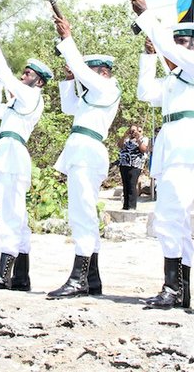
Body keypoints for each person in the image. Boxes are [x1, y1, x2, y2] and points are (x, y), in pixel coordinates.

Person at [129, 0, 194, 310]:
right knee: (177, 220)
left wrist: (148, 18)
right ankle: (180, 291)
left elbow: (170, 48)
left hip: (185, 147)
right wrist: (148, 54)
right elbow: (145, 93)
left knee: (169, 216)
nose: (175, 47)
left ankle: (172, 288)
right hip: (170, 148)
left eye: (182, 42)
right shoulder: (176, 77)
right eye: (175, 41)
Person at [47, 15, 121, 299]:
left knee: (82, 214)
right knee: (82, 212)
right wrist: (69, 80)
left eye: (88, 72)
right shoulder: (94, 96)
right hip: (82, 149)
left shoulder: (106, 87)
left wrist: (67, 37)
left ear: (101, 72)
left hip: (88, 151)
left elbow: (80, 67)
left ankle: (79, 278)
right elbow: (69, 107)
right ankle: (91, 278)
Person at [0, 29, 52, 290]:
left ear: (40, 82)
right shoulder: (17, 102)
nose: (24, 76)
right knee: (17, 216)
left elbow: (10, 80)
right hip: (8, 153)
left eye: (29, 74)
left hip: (12, 155)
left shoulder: (32, 96)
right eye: (24, 73)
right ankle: (21, 276)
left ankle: (3, 274)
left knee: (8, 214)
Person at [117, 125, 149, 210]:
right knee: (125, 185)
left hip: (135, 165)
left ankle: (132, 206)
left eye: (139, 131)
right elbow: (119, 145)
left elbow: (143, 149)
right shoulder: (126, 139)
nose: (135, 132)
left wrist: (138, 139)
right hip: (124, 164)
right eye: (133, 131)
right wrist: (125, 135)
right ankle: (125, 205)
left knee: (132, 184)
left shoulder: (143, 139)